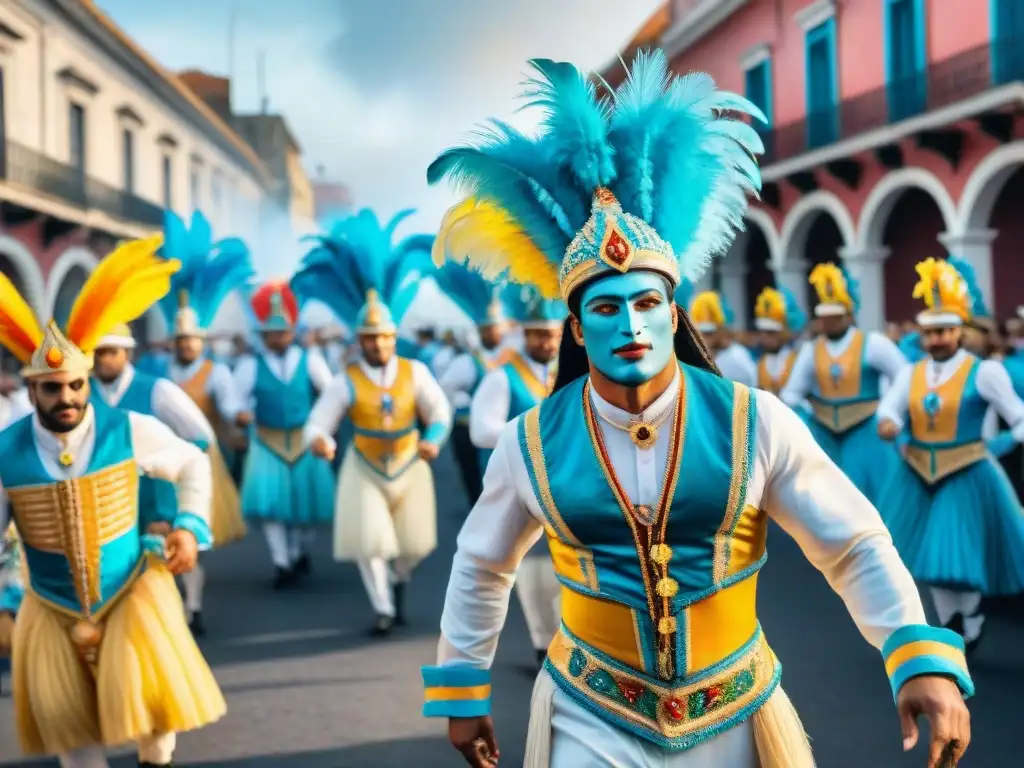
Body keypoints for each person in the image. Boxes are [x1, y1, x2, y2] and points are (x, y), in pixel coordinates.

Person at [420, 52, 972, 768]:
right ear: (579, 329)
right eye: (608, 308)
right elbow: (481, 563)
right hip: (591, 711)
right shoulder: (531, 442)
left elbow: (852, 542)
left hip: (737, 709)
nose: (632, 325)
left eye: (649, 304)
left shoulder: (755, 421)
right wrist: (463, 691)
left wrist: (917, 656)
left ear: (673, 314)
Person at [0, 236, 225, 767]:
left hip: (130, 593)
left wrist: (190, 527)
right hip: (50, 609)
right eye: (52, 389)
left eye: (75, 385)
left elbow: (193, 461)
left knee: (154, 725)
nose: (68, 399)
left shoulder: (128, 428)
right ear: (32, 390)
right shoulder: (5, 450)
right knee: (73, 739)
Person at [295, 210, 452, 636]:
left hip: (408, 460)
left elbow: (439, 412)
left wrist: (434, 438)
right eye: (370, 338)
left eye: (384, 337)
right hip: (363, 463)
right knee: (370, 543)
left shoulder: (416, 373)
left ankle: (400, 583)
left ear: (394, 337)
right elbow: (317, 422)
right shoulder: (345, 381)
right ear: (359, 340)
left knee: (411, 548)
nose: (378, 345)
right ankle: (382, 606)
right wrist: (320, 442)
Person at [876, 257, 1024, 656]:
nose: (936, 339)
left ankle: (969, 614)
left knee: (952, 551)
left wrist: (1000, 446)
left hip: (966, 471)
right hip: (918, 469)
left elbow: (1019, 417)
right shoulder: (912, 372)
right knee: (925, 556)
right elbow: (889, 408)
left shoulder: (985, 372)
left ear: (958, 332)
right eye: (929, 333)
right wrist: (889, 422)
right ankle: (953, 622)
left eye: (943, 331)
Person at [156, 223, 253, 634]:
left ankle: (193, 605)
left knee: (193, 533)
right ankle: (179, 600)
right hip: (159, 466)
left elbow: (230, 405)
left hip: (204, 459)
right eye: (181, 340)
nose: (187, 345)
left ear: (201, 340)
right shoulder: (157, 375)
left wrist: (239, 416)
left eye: (192, 339)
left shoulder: (215, 372)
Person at [466, 288, 563, 669]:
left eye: (553, 334)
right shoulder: (502, 376)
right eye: (540, 334)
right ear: (525, 335)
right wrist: (528, 435)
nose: (547, 342)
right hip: (523, 486)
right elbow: (480, 430)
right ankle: (543, 641)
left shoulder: (575, 372)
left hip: (569, 484)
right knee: (534, 567)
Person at [232, 280, 336, 587]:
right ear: (263, 336)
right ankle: (282, 561)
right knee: (273, 508)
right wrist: (240, 413)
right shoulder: (250, 365)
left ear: (292, 333)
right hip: (267, 440)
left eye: (282, 332)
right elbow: (236, 399)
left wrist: (325, 429)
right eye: (271, 334)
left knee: (306, 506)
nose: (277, 338)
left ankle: (299, 550)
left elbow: (331, 394)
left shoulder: (311, 360)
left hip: (304, 439)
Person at [780, 262, 907, 504]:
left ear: (849, 315)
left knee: (875, 497)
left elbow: (904, 377)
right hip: (826, 433)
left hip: (866, 429)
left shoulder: (873, 343)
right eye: (823, 318)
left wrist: (888, 412)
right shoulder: (811, 350)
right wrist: (809, 414)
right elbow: (791, 394)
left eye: (834, 318)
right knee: (829, 499)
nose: (827, 323)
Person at [434, 262, 515, 506]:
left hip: (505, 429)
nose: (491, 334)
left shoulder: (512, 360)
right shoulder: (469, 362)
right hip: (469, 428)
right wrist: (465, 401)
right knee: (475, 481)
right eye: (486, 330)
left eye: (495, 329)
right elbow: (444, 387)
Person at [688, 290, 757, 386]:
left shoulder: (736, 360)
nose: (703, 338)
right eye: (699, 332)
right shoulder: (692, 360)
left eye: (709, 333)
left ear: (723, 330)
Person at [752, 286, 806, 396]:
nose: (764, 337)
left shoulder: (798, 360)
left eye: (771, 333)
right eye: (762, 332)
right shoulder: (759, 363)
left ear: (786, 332)